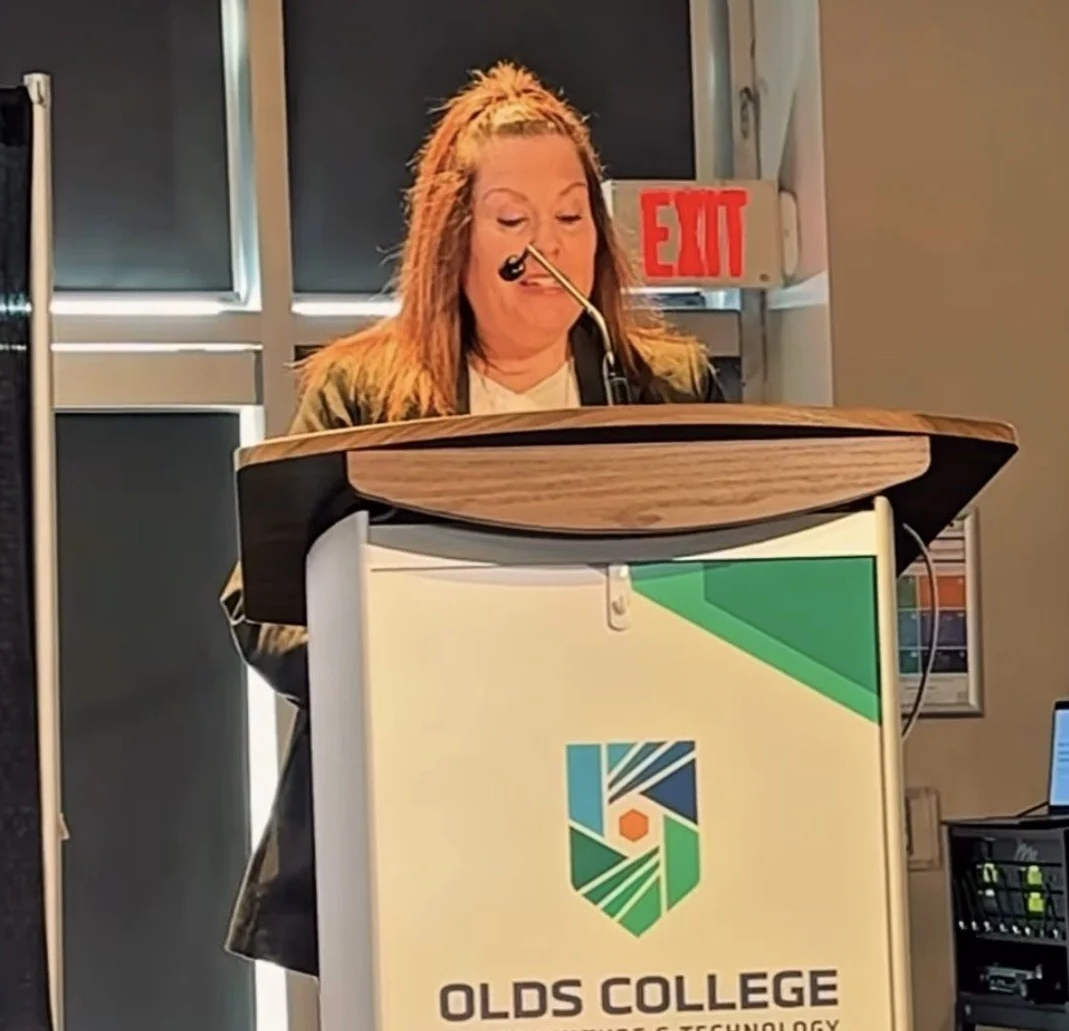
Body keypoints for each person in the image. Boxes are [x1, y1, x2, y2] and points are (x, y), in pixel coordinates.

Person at [222, 61, 723, 980]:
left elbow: (728, 579)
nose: (548, 246)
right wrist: (414, 657)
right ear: (455, 236)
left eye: (570, 217)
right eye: (513, 222)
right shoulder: (362, 394)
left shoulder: (664, 387)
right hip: (421, 822)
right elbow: (267, 608)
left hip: (627, 804)